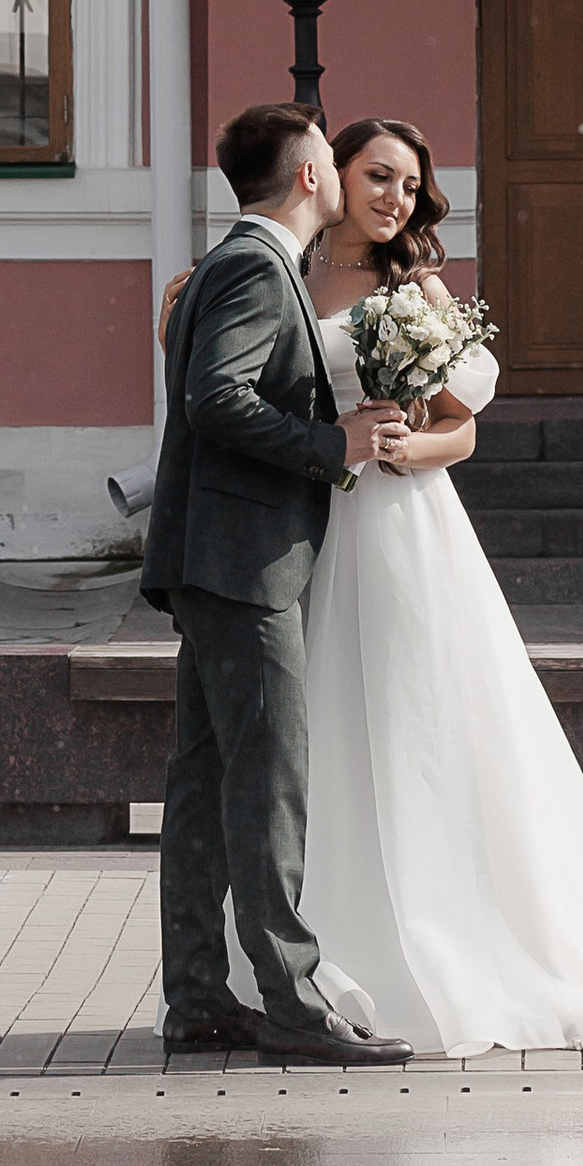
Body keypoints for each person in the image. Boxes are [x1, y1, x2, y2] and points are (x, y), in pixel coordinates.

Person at [285, 115, 583, 1059]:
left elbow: (460, 430)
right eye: (377, 178)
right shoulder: (290, 273)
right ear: (334, 174)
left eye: (409, 186)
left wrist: (400, 448)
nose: (393, 199)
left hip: (400, 526)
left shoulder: (412, 289)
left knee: (418, 722)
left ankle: (447, 941)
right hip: (306, 522)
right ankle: (320, 947)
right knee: (325, 728)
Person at [139, 101, 415, 1068]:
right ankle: (293, 1008)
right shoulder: (257, 268)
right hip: (244, 565)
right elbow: (216, 398)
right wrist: (328, 446)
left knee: (206, 784)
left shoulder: (237, 264)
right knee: (267, 788)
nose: (345, 180)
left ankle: (199, 1001)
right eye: (335, 167)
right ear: (308, 176)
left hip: (217, 558)